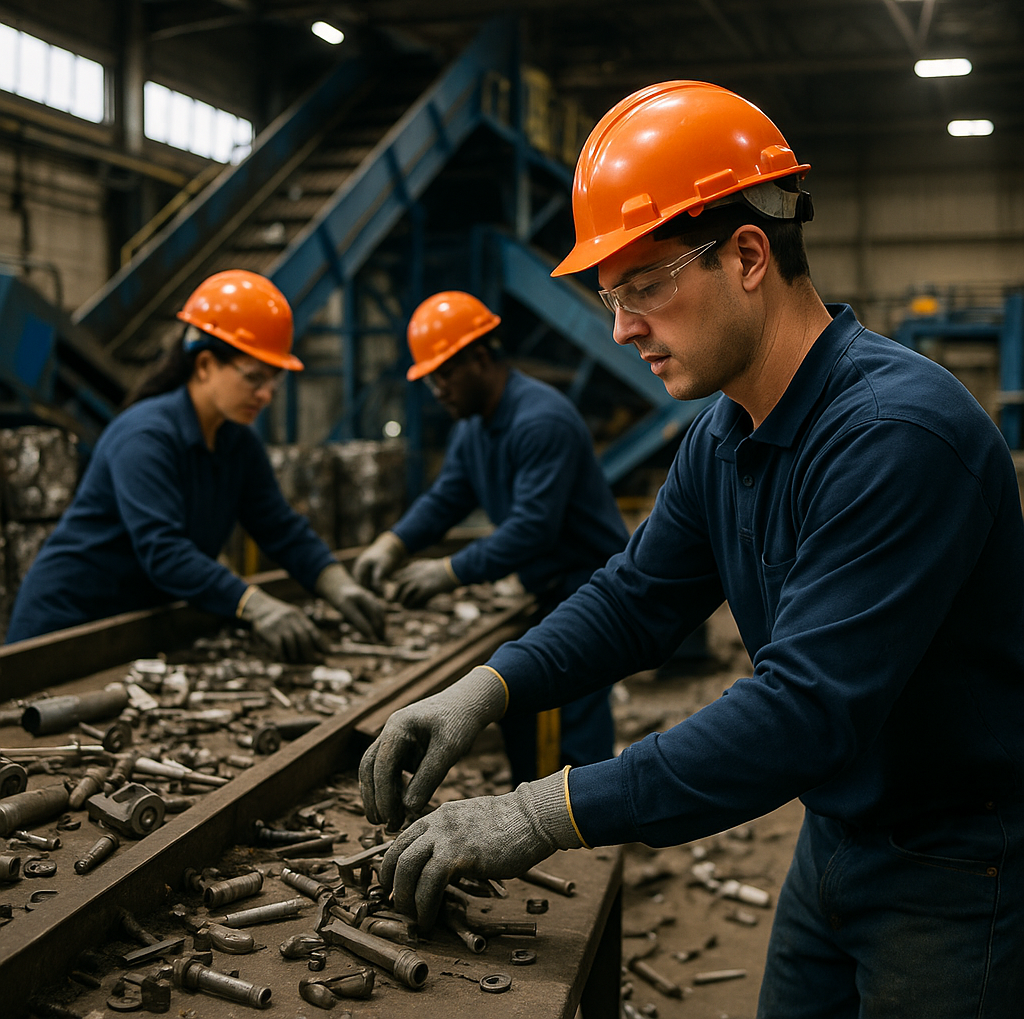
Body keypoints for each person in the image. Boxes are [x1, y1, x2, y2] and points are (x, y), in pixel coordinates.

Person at [358, 82, 1024, 1017]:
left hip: (958, 865)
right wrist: (489, 687)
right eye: (610, 296)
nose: (623, 328)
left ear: (749, 253)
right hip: (835, 836)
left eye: (644, 286)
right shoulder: (725, 432)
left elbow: (801, 711)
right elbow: (639, 596)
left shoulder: (898, 434)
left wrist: (539, 812)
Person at [6, 270, 385, 660]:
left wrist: (338, 583)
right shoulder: (145, 437)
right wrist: (255, 605)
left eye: (274, 380)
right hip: (65, 630)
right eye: (254, 378)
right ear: (204, 365)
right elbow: (165, 552)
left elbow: (281, 528)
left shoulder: (236, 443)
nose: (267, 395)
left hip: (125, 629)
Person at [352, 290, 629, 784]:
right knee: (520, 702)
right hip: (545, 588)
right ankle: (529, 809)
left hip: (589, 589)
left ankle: (591, 839)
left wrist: (448, 571)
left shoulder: (540, 420)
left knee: (578, 717)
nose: (437, 389)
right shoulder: (474, 426)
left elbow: (532, 528)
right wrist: (393, 543)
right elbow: (447, 498)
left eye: (444, 374)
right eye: (430, 378)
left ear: (480, 359)